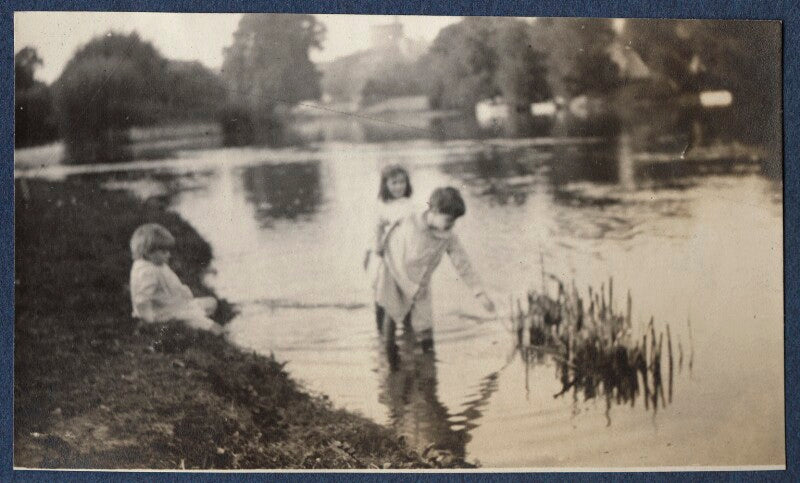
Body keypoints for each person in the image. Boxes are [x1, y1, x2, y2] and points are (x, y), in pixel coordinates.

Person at [374, 187, 495, 353]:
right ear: (434, 210)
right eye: (448, 219)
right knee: (392, 314)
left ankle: (427, 361)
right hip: (395, 273)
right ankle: (390, 357)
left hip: (420, 283)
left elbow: (463, 263)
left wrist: (480, 293)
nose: (452, 224)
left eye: (454, 221)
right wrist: (378, 244)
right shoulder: (410, 220)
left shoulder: (448, 235)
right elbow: (383, 221)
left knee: (425, 324)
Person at [129, 223, 225, 335]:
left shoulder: (156, 263)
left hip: (175, 305)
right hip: (166, 314)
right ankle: (202, 327)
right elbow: (141, 299)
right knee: (215, 328)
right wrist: (149, 322)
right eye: (164, 252)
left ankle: (198, 319)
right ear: (148, 252)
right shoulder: (147, 272)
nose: (168, 255)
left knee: (211, 303)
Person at [364, 164, 416, 332]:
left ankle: (409, 329)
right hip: (385, 254)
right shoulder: (381, 206)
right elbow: (376, 229)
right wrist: (377, 247)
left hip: (405, 255)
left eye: (402, 182)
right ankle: (381, 331)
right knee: (382, 292)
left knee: (408, 291)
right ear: (385, 185)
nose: (399, 186)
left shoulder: (411, 205)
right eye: (394, 183)